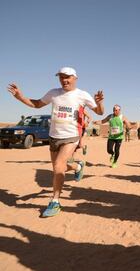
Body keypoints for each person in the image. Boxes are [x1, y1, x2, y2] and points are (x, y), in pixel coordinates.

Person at [7, 67, 104, 217]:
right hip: (54, 136)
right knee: (59, 168)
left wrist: (100, 103)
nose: (64, 80)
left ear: (75, 78)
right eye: (61, 77)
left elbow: (99, 112)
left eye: (67, 77)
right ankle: (77, 166)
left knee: (58, 167)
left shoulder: (82, 95)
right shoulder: (54, 93)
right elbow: (37, 104)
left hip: (71, 136)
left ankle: (55, 201)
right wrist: (20, 96)